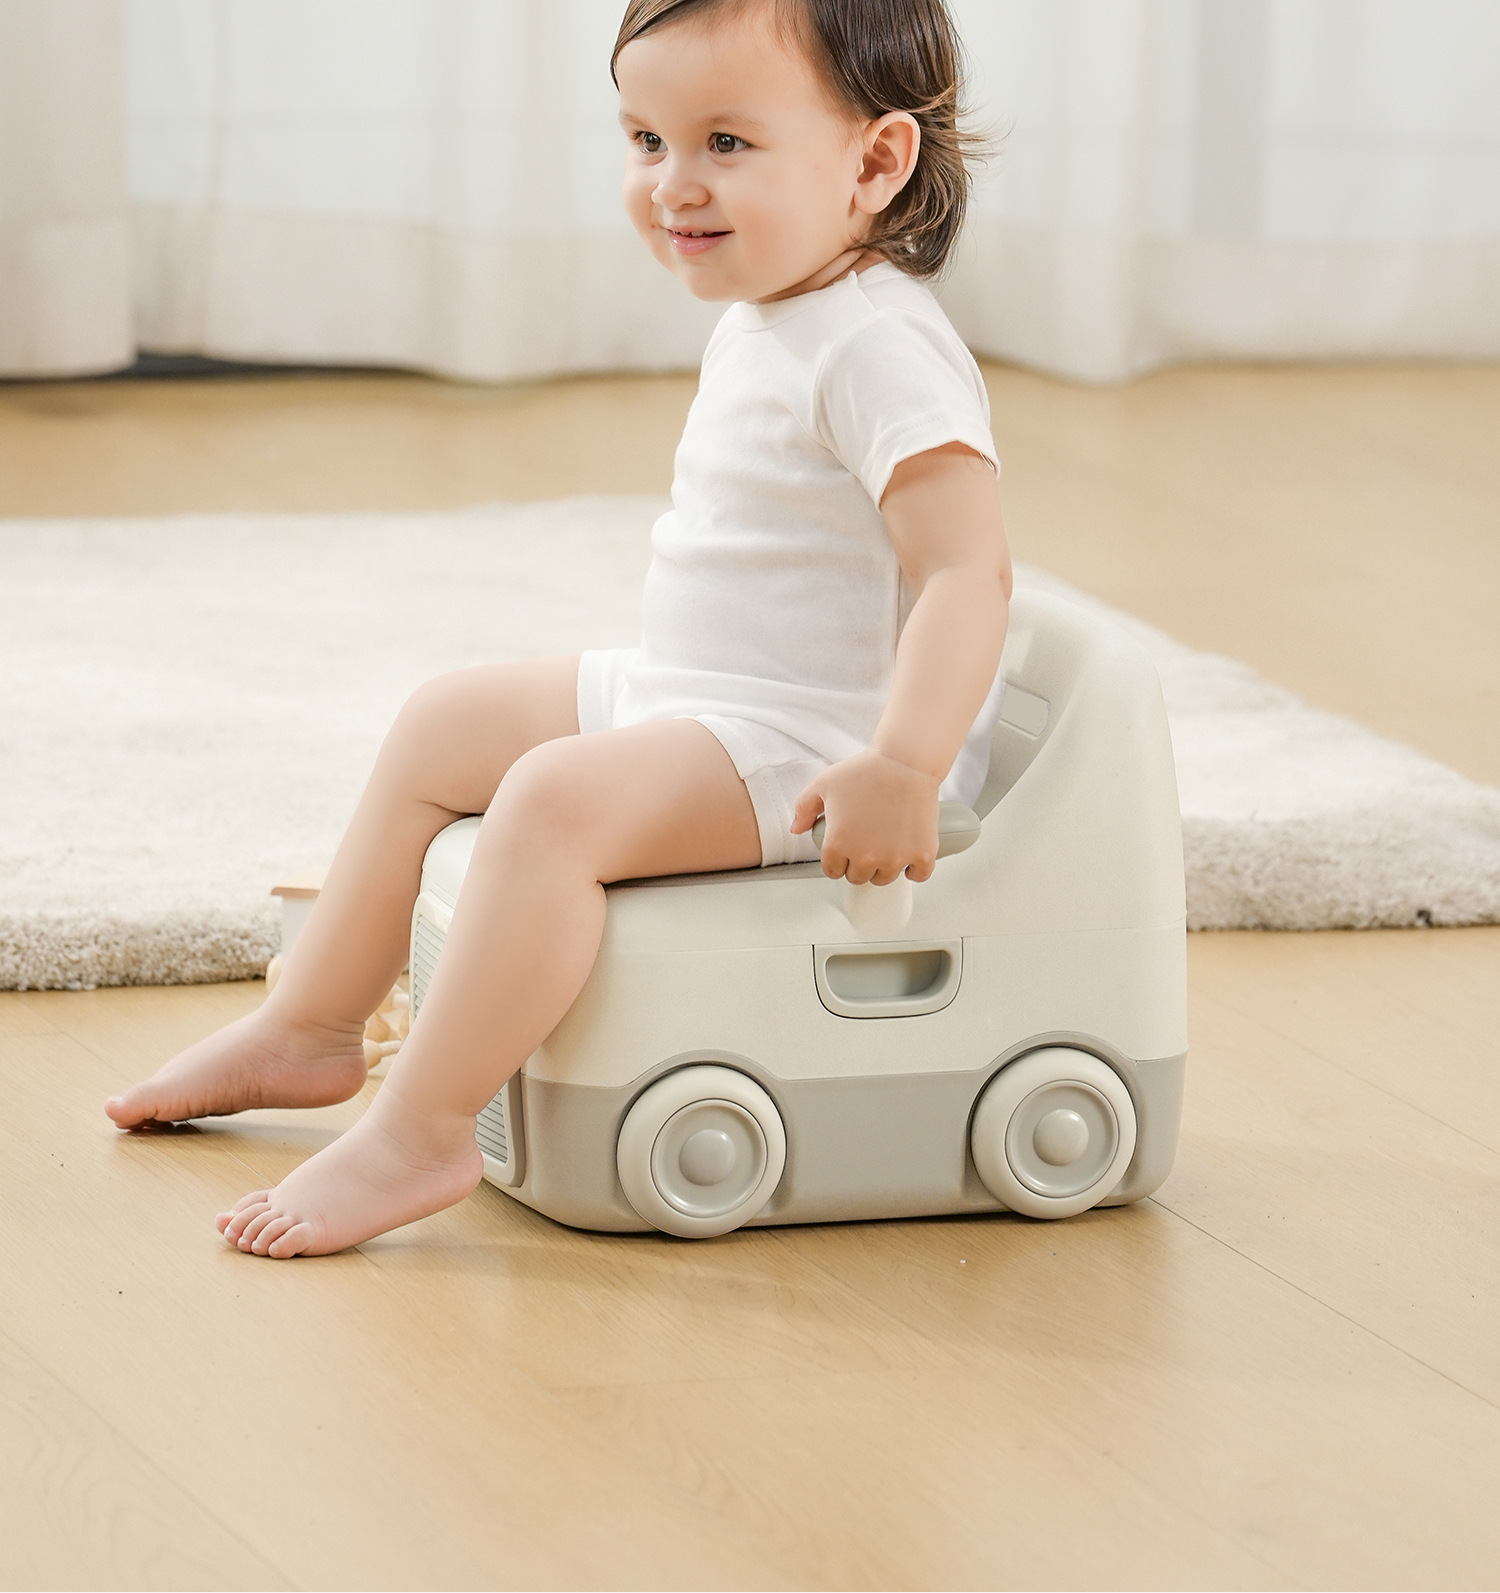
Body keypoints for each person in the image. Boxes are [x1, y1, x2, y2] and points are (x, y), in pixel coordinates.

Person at [105, 0, 1013, 1258]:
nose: (672, 183)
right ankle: (310, 1026)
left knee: (550, 804)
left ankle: (424, 1127)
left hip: (815, 745)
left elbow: (968, 572)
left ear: (876, 162)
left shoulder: (879, 348)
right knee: (446, 722)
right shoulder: (782, 303)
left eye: (726, 143)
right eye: (646, 138)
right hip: (707, 693)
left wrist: (905, 764)